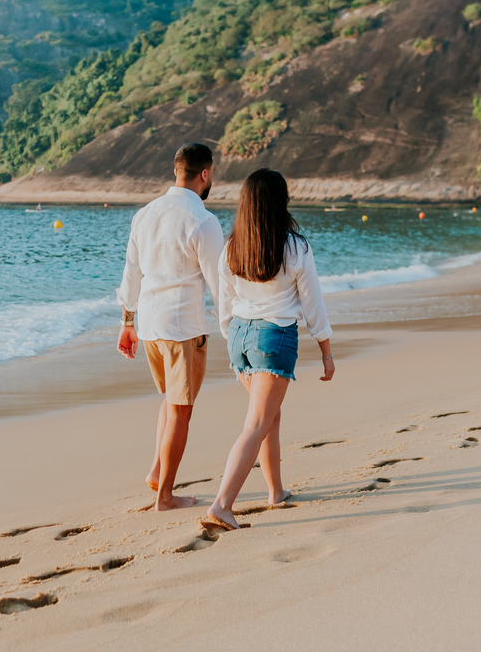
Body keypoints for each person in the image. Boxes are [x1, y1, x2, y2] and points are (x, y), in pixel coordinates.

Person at [204, 169, 334, 531]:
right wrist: (326, 350)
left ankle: (275, 491)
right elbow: (313, 304)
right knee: (257, 423)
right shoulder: (294, 246)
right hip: (274, 338)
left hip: (241, 339)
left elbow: (224, 303)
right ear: (281, 201)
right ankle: (222, 505)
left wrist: (233, 339)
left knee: (269, 419)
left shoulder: (232, 246)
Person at [117, 142, 224, 512]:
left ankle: (156, 471)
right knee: (181, 409)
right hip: (182, 328)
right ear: (205, 174)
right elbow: (218, 283)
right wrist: (231, 329)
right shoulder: (204, 221)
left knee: (170, 400)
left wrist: (127, 323)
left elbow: (131, 273)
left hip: (148, 324)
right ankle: (165, 495)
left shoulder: (145, 214)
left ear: (176, 169)